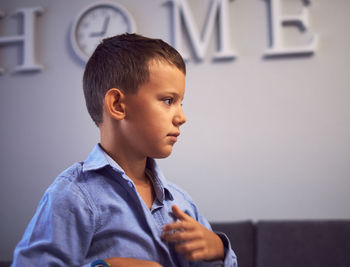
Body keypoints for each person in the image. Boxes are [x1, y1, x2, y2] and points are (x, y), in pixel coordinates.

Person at [11, 33, 237, 267]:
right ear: (118, 105)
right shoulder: (73, 196)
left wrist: (219, 250)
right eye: (168, 101)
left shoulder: (182, 204)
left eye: (181, 103)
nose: (182, 117)